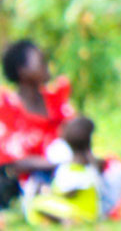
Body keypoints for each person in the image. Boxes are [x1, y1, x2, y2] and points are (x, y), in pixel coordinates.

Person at [0, 40, 75, 208]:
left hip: (64, 173)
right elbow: (13, 162)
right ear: (22, 71)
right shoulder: (7, 108)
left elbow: (76, 138)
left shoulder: (56, 102)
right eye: (41, 61)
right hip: (24, 183)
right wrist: (59, 163)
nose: (46, 65)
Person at [25, 117, 101, 225]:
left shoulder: (74, 166)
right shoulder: (92, 162)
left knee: (37, 203)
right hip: (92, 210)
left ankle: (64, 220)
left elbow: (70, 192)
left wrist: (50, 192)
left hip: (79, 210)